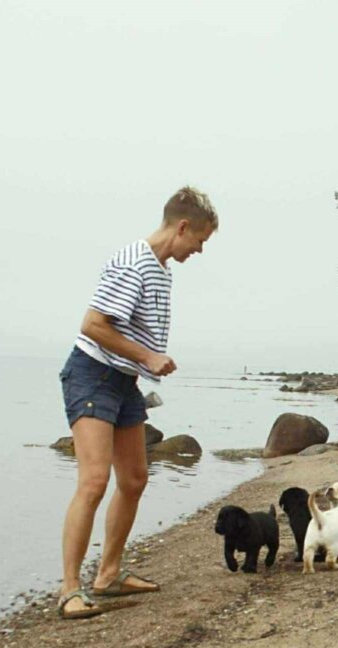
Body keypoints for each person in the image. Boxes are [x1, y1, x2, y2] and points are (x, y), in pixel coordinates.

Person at [56, 187, 218, 619]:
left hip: (122, 380)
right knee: (93, 482)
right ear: (182, 227)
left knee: (133, 479)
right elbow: (93, 325)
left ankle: (107, 575)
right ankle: (70, 590)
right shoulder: (134, 263)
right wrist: (148, 356)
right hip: (91, 374)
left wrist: (142, 363)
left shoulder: (162, 269)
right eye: (199, 240)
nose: (199, 250)